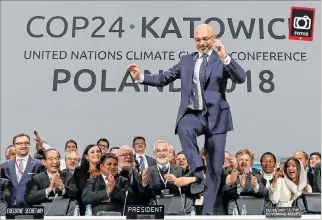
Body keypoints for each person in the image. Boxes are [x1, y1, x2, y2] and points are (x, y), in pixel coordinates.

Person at [127, 24, 246, 214]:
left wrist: (225, 56)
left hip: (217, 118)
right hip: (194, 114)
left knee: (215, 170)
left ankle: (208, 212)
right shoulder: (186, 61)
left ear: (213, 38)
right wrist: (140, 77)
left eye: (205, 39)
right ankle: (198, 172)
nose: (201, 43)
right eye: (197, 40)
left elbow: (240, 77)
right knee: (184, 127)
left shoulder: (220, 59)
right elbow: (163, 78)